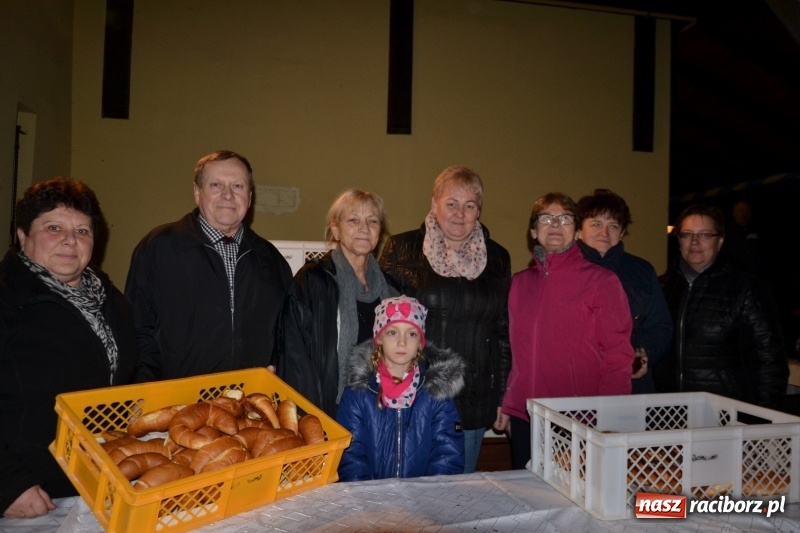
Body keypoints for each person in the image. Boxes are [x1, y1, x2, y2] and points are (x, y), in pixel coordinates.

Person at [0, 178, 138, 518]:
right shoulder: (7, 297)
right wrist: (7, 484)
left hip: (101, 480)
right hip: (33, 490)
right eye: (53, 227)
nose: (69, 240)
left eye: (82, 231)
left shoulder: (109, 297)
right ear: (22, 235)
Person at [379, 165, 511, 474]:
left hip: (473, 397)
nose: (459, 213)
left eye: (470, 205)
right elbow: (380, 327)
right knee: (405, 499)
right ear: (434, 203)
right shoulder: (401, 248)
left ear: (478, 211)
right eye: (451, 203)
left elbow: (503, 332)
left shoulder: (498, 258)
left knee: (457, 500)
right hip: (411, 395)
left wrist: (504, 395)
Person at [125, 150, 291, 381]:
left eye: (238, 186)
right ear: (197, 192)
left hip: (247, 403)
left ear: (250, 197)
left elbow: (286, 336)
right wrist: (147, 390)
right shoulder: (160, 247)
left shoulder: (271, 260)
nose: (227, 195)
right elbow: (138, 329)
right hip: (176, 402)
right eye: (216, 185)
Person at [499, 192, 634, 469]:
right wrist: (509, 403)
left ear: (576, 231)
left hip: (579, 420)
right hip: (527, 416)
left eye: (565, 218)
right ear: (534, 231)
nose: (555, 224)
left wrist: (610, 419)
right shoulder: (519, 284)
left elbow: (618, 357)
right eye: (546, 218)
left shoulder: (602, 281)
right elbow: (516, 351)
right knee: (527, 504)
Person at [277, 189, 398, 419]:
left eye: (372, 220)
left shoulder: (392, 290)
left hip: (381, 410)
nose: (364, 228)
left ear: (379, 231)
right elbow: (295, 358)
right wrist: (311, 417)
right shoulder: (312, 281)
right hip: (330, 409)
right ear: (336, 229)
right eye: (353, 220)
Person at [655, 204, 787, 409]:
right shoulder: (661, 287)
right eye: (686, 234)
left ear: (720, 242)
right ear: (678, 241)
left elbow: (771, 359)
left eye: (705, 235)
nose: (695, 242)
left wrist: (764, 419)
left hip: (726, 414)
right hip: (669, 413)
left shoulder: (746, 288)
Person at [336, 295, 465, 481]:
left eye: (411, 334)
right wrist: (366, 498)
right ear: (379, 338)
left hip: (423, 501)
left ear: (421, 343)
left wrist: (427, 497)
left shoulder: (436, 391)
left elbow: (448, 452)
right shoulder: (358, 393)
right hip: (371, 502)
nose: (402, 342)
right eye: (392, 333)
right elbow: (350, 454)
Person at [576, 189, 672, 394]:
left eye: (613, 226)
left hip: (630, 385)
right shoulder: (564, 270)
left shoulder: (642, 271)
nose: (604, 233)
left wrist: (644, 353)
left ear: (621, 233)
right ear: (579, 230)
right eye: (596, 224)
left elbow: (661, 326)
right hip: (576, 386)